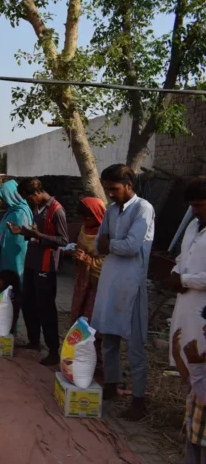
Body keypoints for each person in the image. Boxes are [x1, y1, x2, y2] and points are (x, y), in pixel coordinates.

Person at [92, 164, 154, 421]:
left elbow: (130, 246)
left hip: (131, 283)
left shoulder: (143, 209)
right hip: (110, 280)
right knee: (109, 338)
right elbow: (98, 243)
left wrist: (110, 244)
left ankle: (139, 400)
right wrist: (108, 244)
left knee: (135, 345)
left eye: (114, 189)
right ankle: (111, 385)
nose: (111, 195)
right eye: (107, 190)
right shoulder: (110, 210)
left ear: (129, 184)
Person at [7, 177, 69, 366]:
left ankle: (53, 350)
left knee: (46, 307)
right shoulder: (37, 207)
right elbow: (35, 234)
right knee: (28, 302)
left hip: (46, 265)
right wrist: (23, 233)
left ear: (36, 193)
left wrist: (37, 235)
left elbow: (63, 241)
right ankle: (34, 341)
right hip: (32, 262)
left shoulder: (57, 210)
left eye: (28, 198)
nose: (27, 202)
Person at [167, 178, 206, 371]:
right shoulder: (192, 225)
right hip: (185, 302)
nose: (195, 211)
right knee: (185, 360)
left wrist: (184, 280)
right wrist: (175, 273)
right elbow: (184, 255)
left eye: (199, 205)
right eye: (192, 206)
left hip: (203, 304)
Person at [172, 308, 206, 464]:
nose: (204, 329)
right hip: (196, 429)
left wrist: (195, 365)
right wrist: (177, 355)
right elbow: (191, 381)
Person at [71, 197, 106, 325]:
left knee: (91, 317)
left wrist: (87, 259)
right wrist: (76, 254)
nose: (85, 221)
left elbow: (107, 261)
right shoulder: (83, 229)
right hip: (83, 277)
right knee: (79, 313)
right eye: (83, 218)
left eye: (88, 218)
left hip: (98, 281)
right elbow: (79, 247)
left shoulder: (106, 234)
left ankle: (93, 344)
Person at [0, 180, 32, 290]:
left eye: (4, 197)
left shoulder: (21, 212)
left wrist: (1, 242)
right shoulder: (11, 210)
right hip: (6, 253)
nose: (3, 201)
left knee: (14, 280)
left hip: (15, 255)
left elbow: (20, 237)